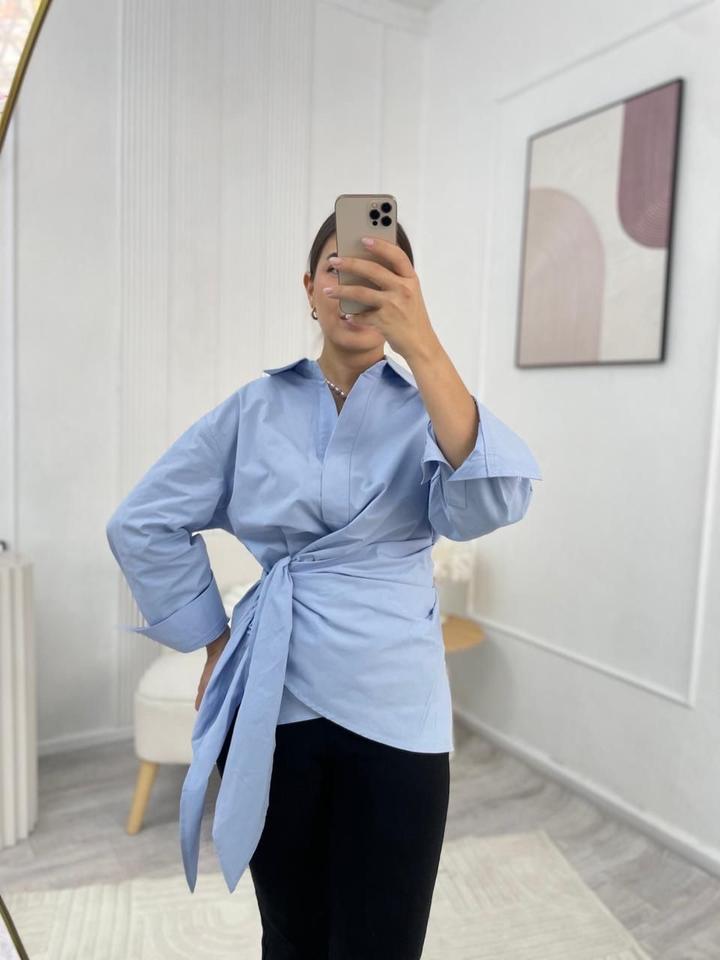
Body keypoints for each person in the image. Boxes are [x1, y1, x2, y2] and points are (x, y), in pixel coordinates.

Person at [106, 212, 543, 959]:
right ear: (310, 289)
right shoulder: (253, 409)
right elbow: (141, 521)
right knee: (292, 935)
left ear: (409, 292)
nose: (355, 288)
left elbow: (494, 502)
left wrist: (423, 345)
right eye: (339, 270)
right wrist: (214, 642)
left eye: (383, 274)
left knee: (386, 940)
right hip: (275, 704)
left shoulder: (433, 408)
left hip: (397, 709)